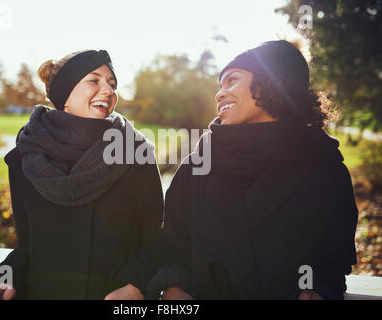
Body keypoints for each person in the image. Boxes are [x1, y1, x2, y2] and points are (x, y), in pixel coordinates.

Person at [148, 40, 358, 300]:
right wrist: (174, 289)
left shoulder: (327, 172)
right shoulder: (198, 165)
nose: (219, 94)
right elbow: (172, 247)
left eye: (231, 80)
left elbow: (331, 261)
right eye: (220, 85)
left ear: (272, 83)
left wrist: (315, 291)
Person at [0, 50, 163, 300]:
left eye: (112, 83)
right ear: (65, 94)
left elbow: (155, 239)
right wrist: (5, 281)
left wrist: (136, 286)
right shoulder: (24, 158)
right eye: (94, 80)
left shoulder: (136, 154)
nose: (108, 90)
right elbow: (28, 249)